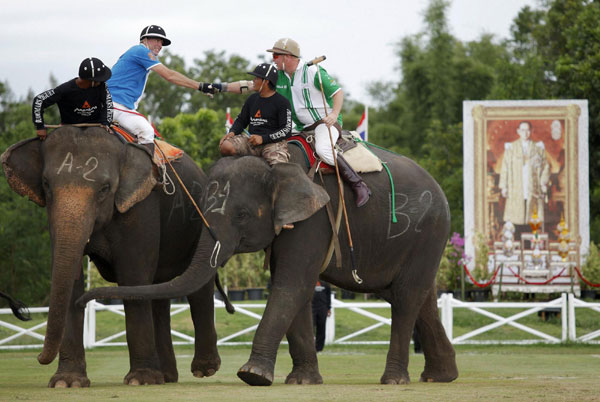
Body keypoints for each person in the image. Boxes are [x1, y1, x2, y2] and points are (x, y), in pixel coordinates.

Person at [206, 38, 371, 207]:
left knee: (323, 149)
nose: (273, 59)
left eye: (276, 55)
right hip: (299, 126)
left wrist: (334, 114)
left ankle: (358, 184)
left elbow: (338, 92)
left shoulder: (313, 72)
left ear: (289, 57)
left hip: (324, 123)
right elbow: (249, 85)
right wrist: (218, 87)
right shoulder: (279, 77)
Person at [107, 25, 233, 154]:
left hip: (115, 104)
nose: (160, 45)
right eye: (156, 40)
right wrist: (200, 86)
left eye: (161, 42)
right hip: (116, 105)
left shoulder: (136, 53)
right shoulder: (141, 51)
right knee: (147, 132)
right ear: (144, 39)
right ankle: (144, 174)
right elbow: (170, 76)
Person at [219, 63, 292, 165]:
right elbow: (241, 120)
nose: (253, 80)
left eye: (257, 78)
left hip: (273, 144)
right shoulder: (252, 99)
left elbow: (286, 130)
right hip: (251, 141)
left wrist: (263, 138)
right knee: (226, 146)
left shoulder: (282, 102)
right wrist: (233, 132)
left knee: (279, 168)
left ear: (266, 81)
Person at [32, 57, 113, 140]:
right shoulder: (64, 89)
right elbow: (39, 100)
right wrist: (40, 126)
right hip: (69, 130)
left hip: (95, 128)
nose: (102, 82)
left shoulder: (102, 86)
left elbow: (108, 104)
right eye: (99, 79)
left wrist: (105, 122)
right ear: (91, 81)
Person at [498, 121, 550, 227]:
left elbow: (546, 166)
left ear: (531, 131)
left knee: (533, 218)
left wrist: (543, 182)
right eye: (522, 130)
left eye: (527, 130)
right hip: (516, 186)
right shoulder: (511, 148)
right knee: (516, 217)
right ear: (518, 131)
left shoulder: (538, 149)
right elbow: (505, 168)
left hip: (532, 185)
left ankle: (531, 236)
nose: (525, 133)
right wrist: (504, 186)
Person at [312, 280, 331, 352]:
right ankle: (309, 347)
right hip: (311, 308)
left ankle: (319, 348)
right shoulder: (310, 281)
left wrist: (329, 308)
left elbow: (328, 296)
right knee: (310, 329)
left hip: (323, 308)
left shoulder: (325, 283)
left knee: (321, 328)